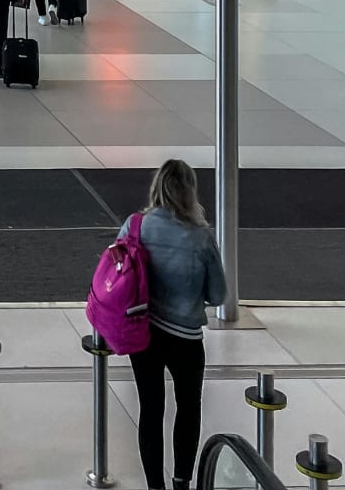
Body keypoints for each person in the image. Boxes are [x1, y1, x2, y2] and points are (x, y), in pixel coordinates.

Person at [121, 160, 227, 490]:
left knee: (151, 410)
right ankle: (182, 481)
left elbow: (120, 275)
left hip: (144, 334)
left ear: (157, 187)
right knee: (188, 409)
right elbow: (218, 294)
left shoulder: (135, 226)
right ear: (189, 192)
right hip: (186, 339)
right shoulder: (201, 238)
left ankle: (155, 485)